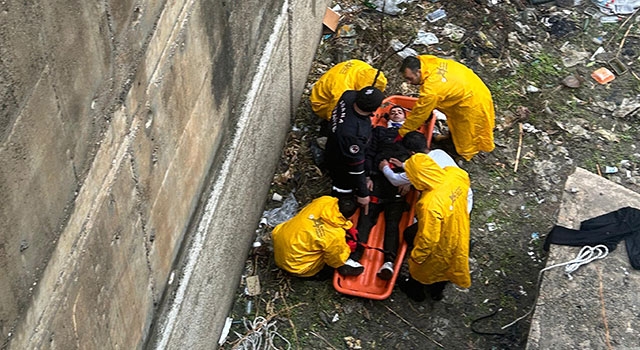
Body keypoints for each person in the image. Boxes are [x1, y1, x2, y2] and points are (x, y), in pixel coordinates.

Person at [380, 131, 472, 301]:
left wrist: (416, 257)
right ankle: (437, 292)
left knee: (428, 267)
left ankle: (415, 291)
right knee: (451, 264)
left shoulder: (429, 204)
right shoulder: (454, 175)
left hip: (443, 238)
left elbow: (428, 239)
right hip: (460, 225)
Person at [349, 105, 412, 280]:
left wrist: (410, 180)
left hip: (399, 183)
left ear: (405, 117)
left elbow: (419, 160)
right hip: (377, 179)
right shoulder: (379, 132)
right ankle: (355, 257)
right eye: (393, 112)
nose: (396, 113)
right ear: (388, 118)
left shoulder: (412, 135)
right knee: (366, 217)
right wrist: (367, 177)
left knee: (393, 223)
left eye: (400, 111)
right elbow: (368, 153)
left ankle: (389, 262)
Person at [397, 55, 495, 161]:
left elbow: (419, 114)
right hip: (470, 86)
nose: (409, 82)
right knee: (456, 126)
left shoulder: (432, 89)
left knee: (466, 133)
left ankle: (455, 154)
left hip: (473, 103)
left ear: (419, 72)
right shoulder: (427, 61)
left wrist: (403, 132)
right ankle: (448, 140)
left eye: (409, 78)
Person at [272, 196, 365, 279]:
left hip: (280, 242)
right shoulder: (334, 236)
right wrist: (346, 249)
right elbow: (335, 261)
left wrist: (347, 226)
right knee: (330, 260)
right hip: (296, 266)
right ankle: (318, 275)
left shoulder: (324, 200)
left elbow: (330, 217)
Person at [324, 86, 385, 211]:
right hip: (339, 157)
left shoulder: (348, 96)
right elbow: (355, 167)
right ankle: (341, 197)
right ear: (373, 109)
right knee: (343, 180)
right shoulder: (355, 134)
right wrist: (363, 193)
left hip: (333, 138)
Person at [310, 59, 388, 121]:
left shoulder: (362, 66)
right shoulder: (343, 91)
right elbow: (333, 115)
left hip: (327, 82)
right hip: (320, 103)